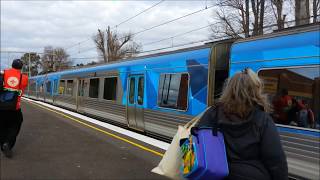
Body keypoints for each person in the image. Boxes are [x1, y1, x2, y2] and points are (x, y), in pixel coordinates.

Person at [198, 68, 288, 180]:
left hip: (217, 174)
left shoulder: (213, 113)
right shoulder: (263, 119)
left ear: (228, 89)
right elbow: (275, 159)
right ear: (255, 90)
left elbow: (197, 140)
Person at [0, 59, 28, 158]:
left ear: (12, 65)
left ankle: (3, 145)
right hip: (14, 108)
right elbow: (23, 87)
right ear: (21, 67)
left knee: (2, 127)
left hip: (1, 107)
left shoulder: (3, 74)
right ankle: (8, 144)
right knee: (15, 125)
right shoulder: (24, 78)